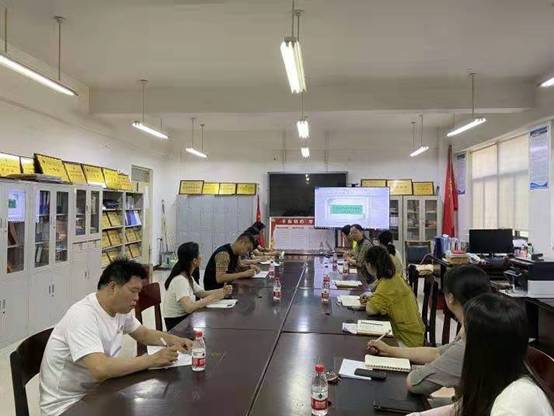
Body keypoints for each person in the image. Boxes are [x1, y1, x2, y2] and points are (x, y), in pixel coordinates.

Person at [39, 259, 193, 416]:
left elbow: (144, 334)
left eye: (139, 292)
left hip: (97, 392)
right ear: (113, 287)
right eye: (133, 291)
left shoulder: (119, 310)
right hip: (67, 406)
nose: (137, 298)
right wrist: (152, 359)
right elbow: (100, 368)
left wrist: (176, 340)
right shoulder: (83, 315)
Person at [407, 293, 554, 416]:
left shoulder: (512, 404)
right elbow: (460, 408)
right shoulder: (500, 376)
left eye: (464, 327)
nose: (460, 335)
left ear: (478, 348)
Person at [368, 265, 491, 397]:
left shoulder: (469, 341)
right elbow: (437, 353)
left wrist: (428, 370)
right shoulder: (485, 326)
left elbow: (415, 383)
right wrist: (389, 350)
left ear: (450, 297)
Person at [360, 245, 425, 347]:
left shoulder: (387, 283)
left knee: (369, 346)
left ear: (370, 264)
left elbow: (370, 310)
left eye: (366, 264)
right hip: (414, 334)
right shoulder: (393, 277)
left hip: (408, 341)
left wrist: (371, 299)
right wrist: (373, 298)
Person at [163, 242, 233, 330]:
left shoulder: (188, 277)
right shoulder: (180, 280)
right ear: (194, 261)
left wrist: (222, 291)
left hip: (185, 319)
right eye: (199, 254)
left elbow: (202, 293)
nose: (201, 257)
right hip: (177, 324)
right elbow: (189, 308)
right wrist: (212, 297)